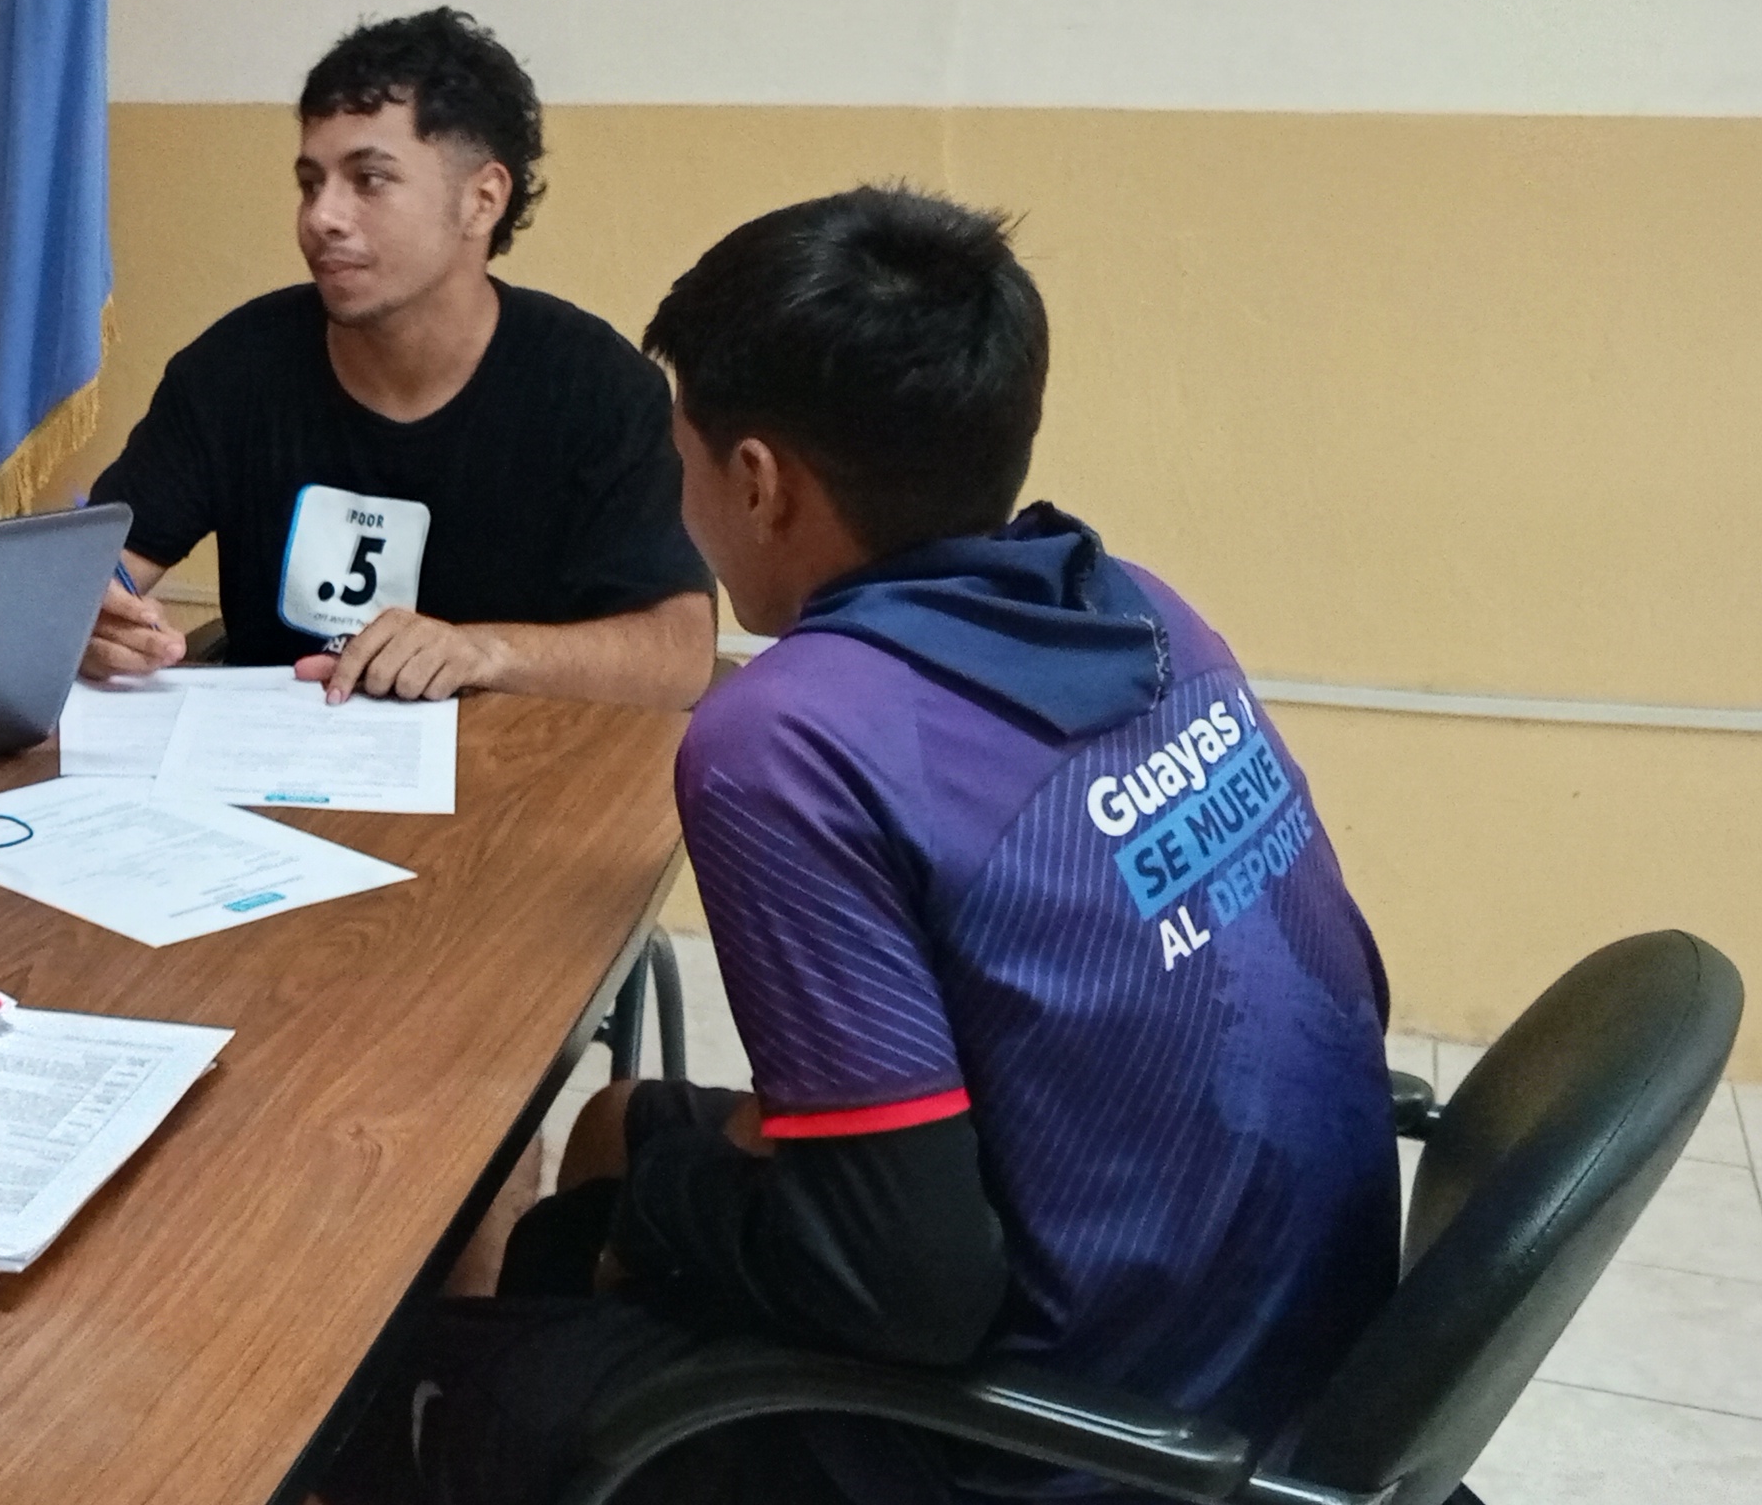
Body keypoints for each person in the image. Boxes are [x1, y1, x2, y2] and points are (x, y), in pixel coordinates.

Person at [323, 187, 1400, 1505]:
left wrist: (678, 1204)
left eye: (683, 455)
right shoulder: (1149, 617)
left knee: (376, 1408)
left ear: (759, 482)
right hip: (1285, 1357)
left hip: (1065, 1445)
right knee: (615, 1129)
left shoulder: (790, 736)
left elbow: (906, 1291)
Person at [82, 9, 712, 707]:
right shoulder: (233, 369)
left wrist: (483, 653)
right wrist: (89, 620)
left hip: (514, 761)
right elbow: (97, 575)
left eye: (369, 180)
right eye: (310, 183)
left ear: (482, 201)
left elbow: (679, 653)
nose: (322, 217)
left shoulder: (597, 387)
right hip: (277, 755)